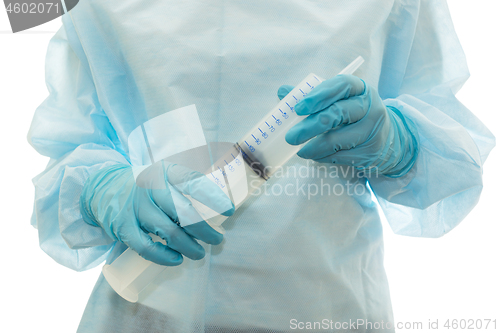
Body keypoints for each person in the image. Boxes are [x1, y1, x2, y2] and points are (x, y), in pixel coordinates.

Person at [28, 0, 495, 332]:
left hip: (328, 310)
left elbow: (451, 155)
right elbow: (67, 143)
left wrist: (397, 141)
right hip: (143, 312)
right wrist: (106, 191)